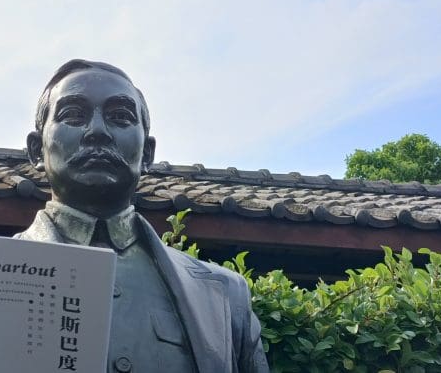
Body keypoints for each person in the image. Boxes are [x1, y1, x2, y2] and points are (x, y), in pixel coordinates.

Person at [16, 59, 270, 372]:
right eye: (73, 115)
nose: (98, 132)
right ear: (36, 149)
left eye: (120, 117)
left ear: (147, 153)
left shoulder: (225, 295)